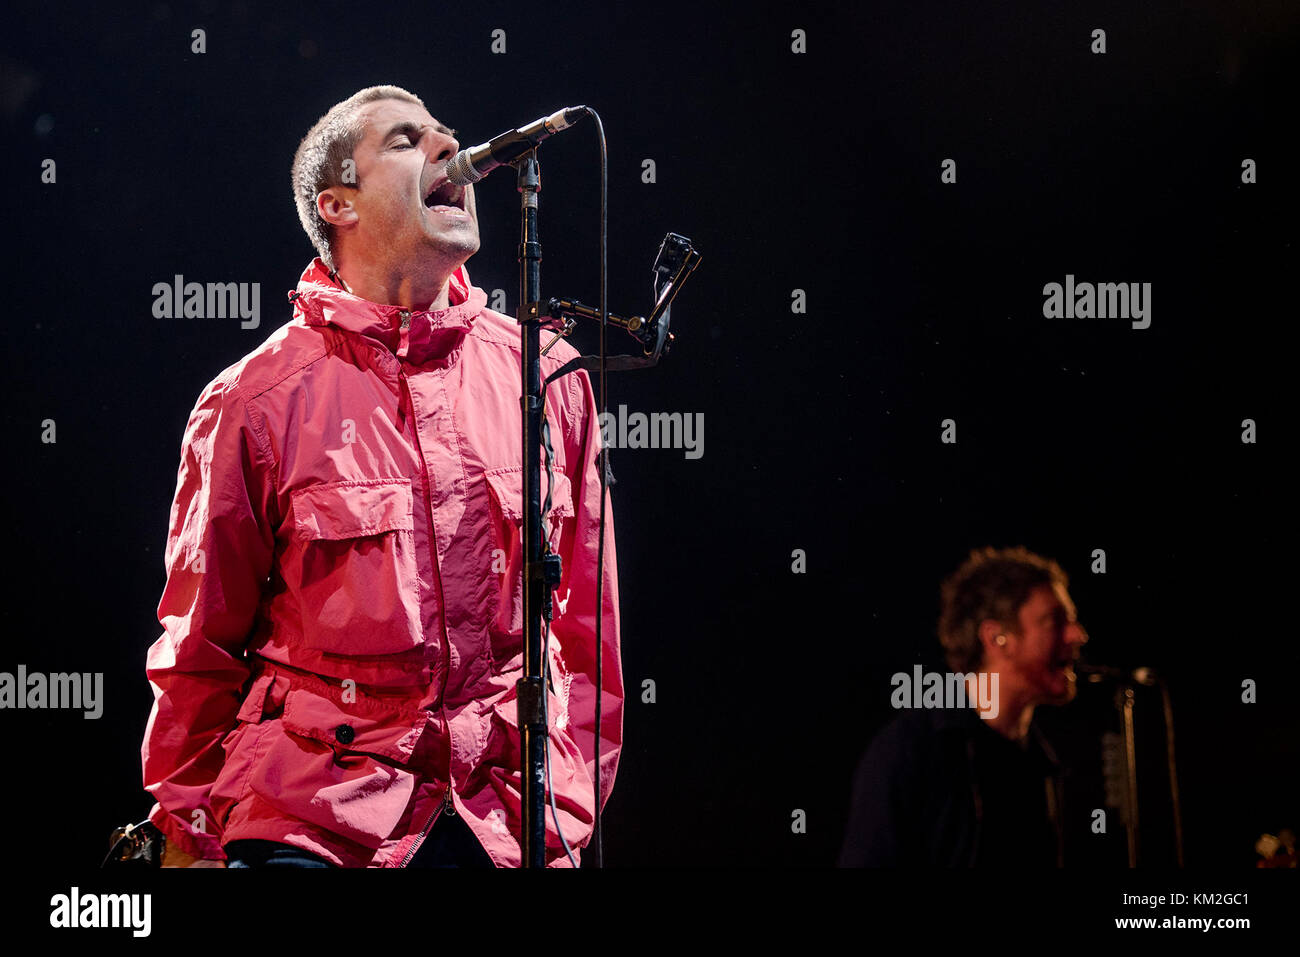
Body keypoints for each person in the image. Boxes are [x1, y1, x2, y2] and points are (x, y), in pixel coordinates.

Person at [140, 85, 623, 868]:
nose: (446, 147)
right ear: (339, 204)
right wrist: (189, 831)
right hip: (313, 819)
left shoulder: (549, 375)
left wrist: (571, 800)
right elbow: (199, 646)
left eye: (446, 133)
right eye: (405, 139)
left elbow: (588, 632)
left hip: (504, 817)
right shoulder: (253, 401)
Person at [838, 546, 1088, 866]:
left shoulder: (1041, 765)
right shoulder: (911, 749)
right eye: (1055, 621)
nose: (1077, 635)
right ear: (996, 637)